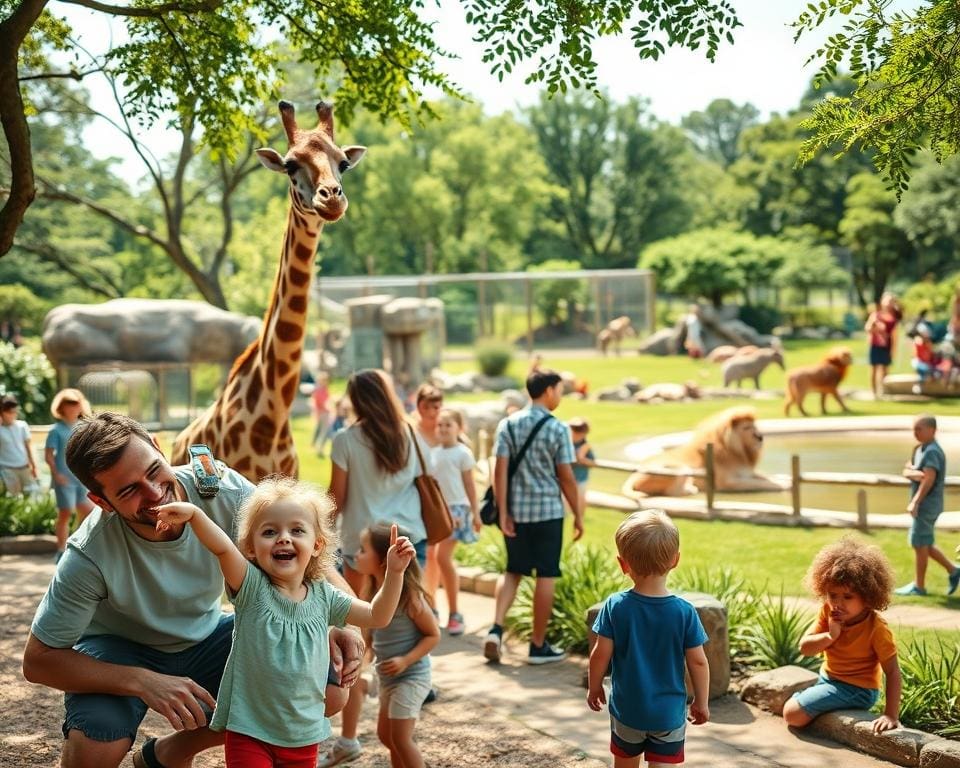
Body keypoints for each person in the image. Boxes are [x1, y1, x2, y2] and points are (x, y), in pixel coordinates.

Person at [21, 413, 363, 768]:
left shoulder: (224, 493)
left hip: (207, 636)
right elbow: (38, 660)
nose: (154, 493)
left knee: (329, 689)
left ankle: (172, 751)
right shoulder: (88, 554)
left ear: (158, 448)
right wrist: (143, 681)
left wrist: (344, 623)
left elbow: (309, 559)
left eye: (154, 470)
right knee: (94, 751)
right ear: (101, 501)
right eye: (128, 490)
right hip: (119, 649)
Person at [155, 481, 416, 768]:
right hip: (249, 731)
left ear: (317, 545)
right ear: (251, 547)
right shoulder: (251, 588)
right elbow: (222, 548)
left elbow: (377, 615)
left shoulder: (324, 596)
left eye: (297, 530)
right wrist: (195, 515)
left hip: (302, 736)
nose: (283, 538)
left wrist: (395, 573)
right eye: (269, 532)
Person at [322, 369, 432, 767]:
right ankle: (408, 691)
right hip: (406, 543)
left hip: (364, 549)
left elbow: (337, 498)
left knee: (358, 642)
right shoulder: (411, 434)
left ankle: (349, 737)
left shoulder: (346, 440)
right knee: (408, 621)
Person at [587, 510, 709, 766]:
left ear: (623, 564)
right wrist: (701, 701)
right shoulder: (684, 612)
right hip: (667, 715)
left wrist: (595, 685)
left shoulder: (615, 606)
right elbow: (698, 662)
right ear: (675, 560)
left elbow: (600, 653)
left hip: (627, 711)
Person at [483, 368, 583, 665]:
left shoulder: (508, 424)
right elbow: (566, 476)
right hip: (548, 514)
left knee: (513, 571)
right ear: (549, 390)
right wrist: (578, 514)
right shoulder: (557, 428)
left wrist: (503, 511)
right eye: (560, 390)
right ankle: (537, 646)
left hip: (516, 514)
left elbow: (499, 470)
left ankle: (496, 629)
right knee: (546, 575)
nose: (561, 396)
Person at [783, 537, 902, 734]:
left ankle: (811, 699)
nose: (838, 603)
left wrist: (890, 715)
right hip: (828, 678)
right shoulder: (828, 612)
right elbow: (805, 648)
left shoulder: (876, 628)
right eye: (832, 595)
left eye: (848, 597)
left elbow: (893, 672)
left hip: (858, 690)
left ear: (868, 596)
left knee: (791, 713)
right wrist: (830, 636)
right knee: (795, 709)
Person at [355, 523, 440, 768]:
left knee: (401, 738)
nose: (356, 555)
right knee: (387, 736)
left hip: (412, 676)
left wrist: (406, 660)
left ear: (383, 559)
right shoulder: (372, 591)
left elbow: (433, 635)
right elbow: (371, 637)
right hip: (387, 678)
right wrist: (361, 661)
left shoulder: (409, 596)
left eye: (363, 550)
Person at [895, 414, 960, 596]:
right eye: (914, 429)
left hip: (926, 505)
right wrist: (912, 473)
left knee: (919, 543)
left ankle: (919, 587)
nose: (915, 433)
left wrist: (915, 502)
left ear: (932, 430)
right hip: (926, 505)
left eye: (919, 429)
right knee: (924, 543)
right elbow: (908, 469)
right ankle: (954, 570)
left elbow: (928, 479)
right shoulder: (920, 448)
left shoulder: (932, 451)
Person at [430, 408, 480, 635]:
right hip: (438, 512)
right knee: (437, 559)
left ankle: (454, 613)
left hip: (457, 511)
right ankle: (435, 610)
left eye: (448, 425)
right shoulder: (433, 453)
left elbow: (470, 485)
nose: (442, 429)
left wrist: (476, 513)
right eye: (440, 424)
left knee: (442, 557)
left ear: (459, 428)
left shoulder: (463, 453)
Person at [44, 389, 96, 560]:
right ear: (62, 407)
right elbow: (49, 455)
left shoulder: (83, 427)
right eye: (69, 404)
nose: (73, 408)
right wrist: (56, 475)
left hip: (81, 479)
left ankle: (77, 547)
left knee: (89, 513)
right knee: (65, 513)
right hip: (64, 479)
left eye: (76, 404)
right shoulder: (56, 430)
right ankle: (60, 550)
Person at [0, 393, 38, 496]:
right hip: (7, 469)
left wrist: (33, 466)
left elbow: (28, 447)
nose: (12, 415)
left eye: (14, 412)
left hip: (24, 467)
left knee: (32, 494)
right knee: (13, 497)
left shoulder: (22, 426)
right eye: (9, 412)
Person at [865, 292, 902, 398]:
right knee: (874, 369)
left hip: (887, 346)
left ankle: (884, 391)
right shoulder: (876, 315)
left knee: (885, 370)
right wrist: (873, 325)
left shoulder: (893, 319)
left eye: (891, 301)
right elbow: (868, 328)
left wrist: (893, 350)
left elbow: (895, 336)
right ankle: (874, 392)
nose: (889, 303)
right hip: (875, 345)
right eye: (887, 301)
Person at [568, 417, 595, 519]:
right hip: (566, 478)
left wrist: (582, 459)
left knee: (580, 499)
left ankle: (579, 517)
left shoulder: (585, 446)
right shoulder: (566, 443)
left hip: (580, 478)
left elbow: (593, 463)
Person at [311, 371, 333, 456]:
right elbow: (321, 402)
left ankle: (318, 447)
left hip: (323, 413)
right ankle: (320, 449)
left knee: (321, 430)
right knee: (324, 431)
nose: (326, 382)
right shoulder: (320, 390)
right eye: (325, 380)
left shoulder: (323, 389)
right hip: (323, 413)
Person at [910, 324, 937, 394]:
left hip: (925, 363)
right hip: (918, 361)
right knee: (925, 369)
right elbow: (915, 354)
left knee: (926, 371)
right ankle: (918, 385)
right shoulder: (918, 341)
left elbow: (930, 355)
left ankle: (918, 385)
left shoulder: (928, 343)